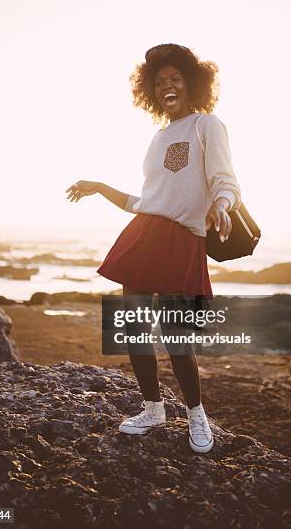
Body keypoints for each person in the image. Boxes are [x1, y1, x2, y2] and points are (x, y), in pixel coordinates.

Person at [66, 43, 241, 453]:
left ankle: (196, 415)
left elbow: (226, 180)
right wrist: (99, 186)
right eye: (160, 81)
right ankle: (153, 407)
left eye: (175, 79)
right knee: (134, 330)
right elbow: (145, 202)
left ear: (191, 84)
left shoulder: (206, 125)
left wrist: (221, 205)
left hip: (182, 241)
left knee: (178, 336)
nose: (167, 85)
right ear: (150, 90)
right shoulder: (158, 137)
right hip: (143, 236)